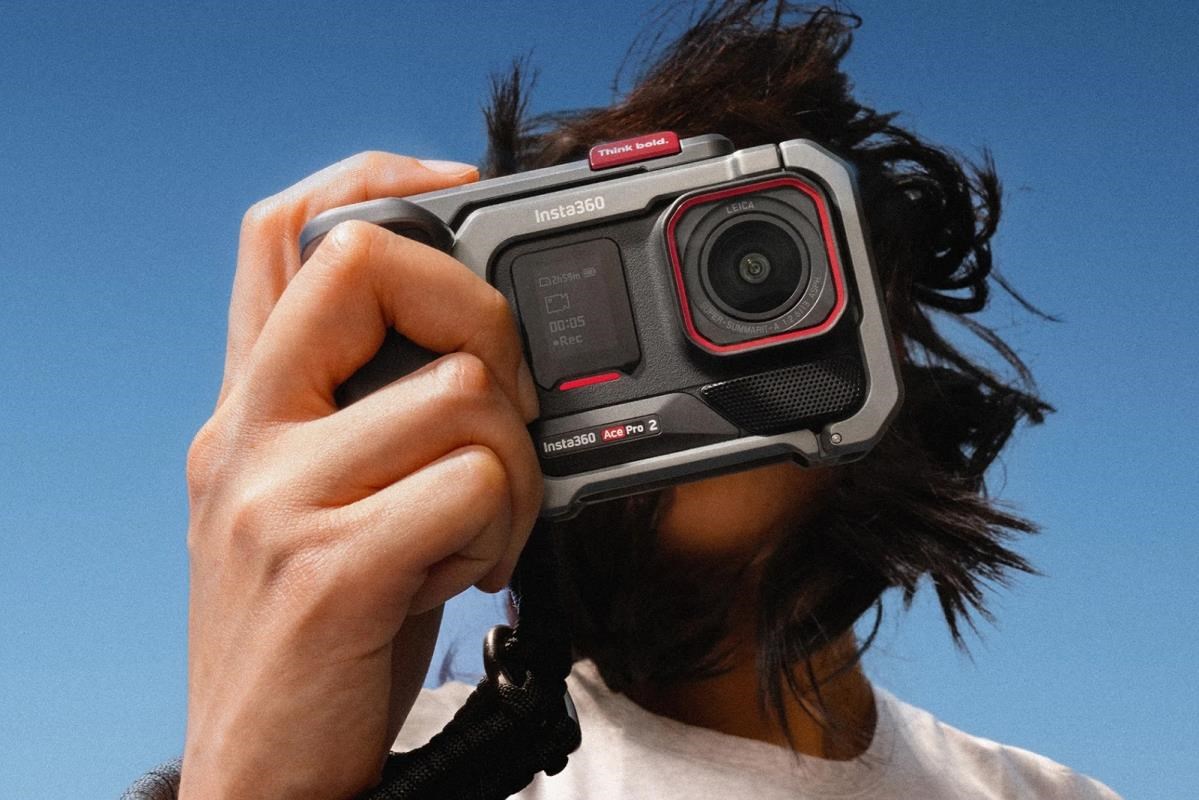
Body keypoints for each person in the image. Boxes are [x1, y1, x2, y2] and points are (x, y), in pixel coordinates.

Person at [168, 4, 1120, 799]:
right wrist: (243, 782)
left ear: (887, 333)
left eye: (751, 241)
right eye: (555, 301)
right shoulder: (407, 771)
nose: (694, 302)